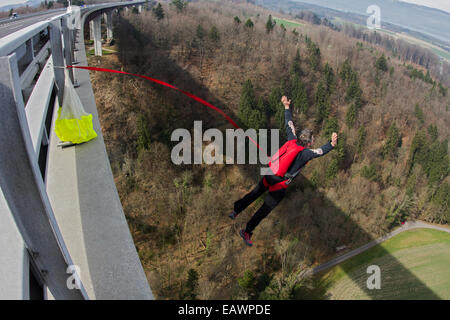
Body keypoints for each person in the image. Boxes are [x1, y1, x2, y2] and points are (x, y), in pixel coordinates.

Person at [230, 96, 338, 246]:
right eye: (312, 140)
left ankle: (236, 211)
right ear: (309, 142)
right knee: (264, 210)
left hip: (270, 174)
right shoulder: (306, 153)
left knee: (254, 193)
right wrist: (331, 144)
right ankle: (247, 231)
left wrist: (286, 107)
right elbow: (320, 151)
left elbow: (289, 124)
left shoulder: (291, 139)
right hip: (279, 186)